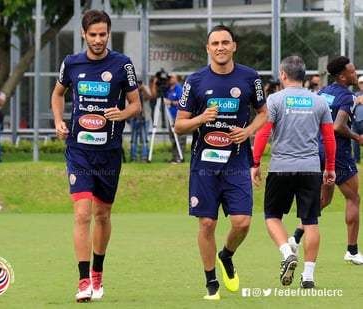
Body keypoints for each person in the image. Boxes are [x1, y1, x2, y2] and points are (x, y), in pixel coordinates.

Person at [50, 9, 141, 303]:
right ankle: (83, 280)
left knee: (102, 215)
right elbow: (57, 94)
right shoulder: (71, 63)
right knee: (82, 214)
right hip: (78, 150)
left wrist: (123, 112)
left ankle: (98, 274)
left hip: (110, 153)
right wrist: (58, 121)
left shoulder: (122, 64)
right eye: (93, 35)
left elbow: (136, 105)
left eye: (103, 34)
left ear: (108, 33)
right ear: (84, 35)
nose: (99, 39)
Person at [174, 24, 268, 300]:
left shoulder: (250, 78)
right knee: (207, 224)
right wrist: (200, 119)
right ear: (208, 49)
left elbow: (263, 113)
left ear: (234, 46)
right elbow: (179, 126)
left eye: (225, 42)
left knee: (242, 223)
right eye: (215, 43)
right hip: (204, 165)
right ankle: (211, 282)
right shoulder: (195, 81)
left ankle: (226, 255)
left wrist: (248, 131)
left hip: (237, 163)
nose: (220, 47)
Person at [251, 56, 336, 289]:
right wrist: (329, 167)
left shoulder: (275, 99)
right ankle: (308, 277)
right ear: (304, 75)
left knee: (272, 216)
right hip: (310, 169)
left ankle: (287, 252)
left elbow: (263, 133)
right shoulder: (318, 101)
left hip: (281, 168)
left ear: (283, 75)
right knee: (311, 221)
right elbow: (328, 138)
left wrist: (255, 162)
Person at [289, 56, 363, 265]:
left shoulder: (322, 92)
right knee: (353, 199)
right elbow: (338, 126)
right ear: (342, 76)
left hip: (316, 148)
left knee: (324, 200)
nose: (354, 74)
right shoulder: (347, 97)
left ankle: (295, 238)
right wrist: (358, 138)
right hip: (337, 152)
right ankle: (352, 250)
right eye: (351, 71)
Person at [129, 79, 154, 162]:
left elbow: (149, 97)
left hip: (145, 117)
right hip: (134, 117)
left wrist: (143, 88)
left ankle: (144, 156)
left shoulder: (145, 88)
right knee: (133, 139)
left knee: (144, 139)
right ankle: (133, 157)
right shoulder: (131, 89)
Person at [351, 75, 363, 163]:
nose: (362, 85)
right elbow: (350, 107)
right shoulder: (355, 95)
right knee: (355, 141)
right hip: (356, 121)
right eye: (361, 83)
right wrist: (357, 102)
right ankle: (356, 159)